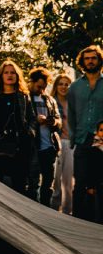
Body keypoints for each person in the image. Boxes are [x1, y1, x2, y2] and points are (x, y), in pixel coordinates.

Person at [0, 60, 36, 194]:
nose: (10, 75)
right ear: (1, 75)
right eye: (6, 72)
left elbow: (32, 118)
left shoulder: (23, 95)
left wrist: (30, 132)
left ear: (17, 75)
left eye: (13, 72)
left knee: (19, 188)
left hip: (19, 147)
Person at [68, 44, 103, 219]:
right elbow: (71, 114)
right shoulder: (74, 87)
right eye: (87, 58)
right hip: (82, 140)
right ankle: (78, 220)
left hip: (101, 141)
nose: (90, 61)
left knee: (100, 184)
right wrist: (74, 137)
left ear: (99, 60)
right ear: (82, 61)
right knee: (80, 183)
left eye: (93, 58)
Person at [26, 67, 61, 207]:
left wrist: (52, 121)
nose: (41, 90)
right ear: (32, 82)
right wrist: (36, 120)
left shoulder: (49, 99)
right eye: (39, 86)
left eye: (44, 87)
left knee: (48, 184)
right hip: (32, 148)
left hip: (49, 147)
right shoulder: (25, 98)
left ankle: (47, 210)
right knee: (32, 184)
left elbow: (59, 121)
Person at [51, 73, 74, 215]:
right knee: (55, 181)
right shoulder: (51, 101)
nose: (64, 87)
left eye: (66, 84)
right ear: (56, 86)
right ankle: (53, 210)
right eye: (61, 84)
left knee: (68, 181)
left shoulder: (73, 103)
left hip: (71, 143)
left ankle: (67, 212)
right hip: (56, 143)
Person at [84, 120, 103, 222]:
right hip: (97, 185)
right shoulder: (94, 149)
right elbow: (90, 169)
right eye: (101, 130)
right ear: (97, 132)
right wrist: (90, 186)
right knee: (97, 210)